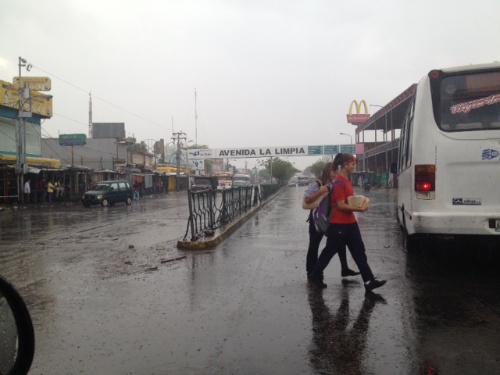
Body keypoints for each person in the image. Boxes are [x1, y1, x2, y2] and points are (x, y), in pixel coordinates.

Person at [308, 153, 386, 292]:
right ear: (345, 165)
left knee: (359, 252)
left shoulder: (346, 180)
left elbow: (348, 200)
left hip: (350, 223)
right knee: (329, 251)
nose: (354, 166)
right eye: (352, 164)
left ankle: (369, 281)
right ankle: (315, 274)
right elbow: (341, 205)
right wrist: (359, 209)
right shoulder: (339, 183)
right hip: (338, 224)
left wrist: (360, 202)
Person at [304, 163, 359, 279]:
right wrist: (320, 191)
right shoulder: (317, 183)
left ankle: (344, 268)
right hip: (317, 220)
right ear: (327, 171)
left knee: (340, 242)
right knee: (314, 245)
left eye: (337, 172)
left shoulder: (336, 183)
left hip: (331, 219)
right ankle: (312, 272)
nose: (335, 174)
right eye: (333, 172)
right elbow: (307, 199)